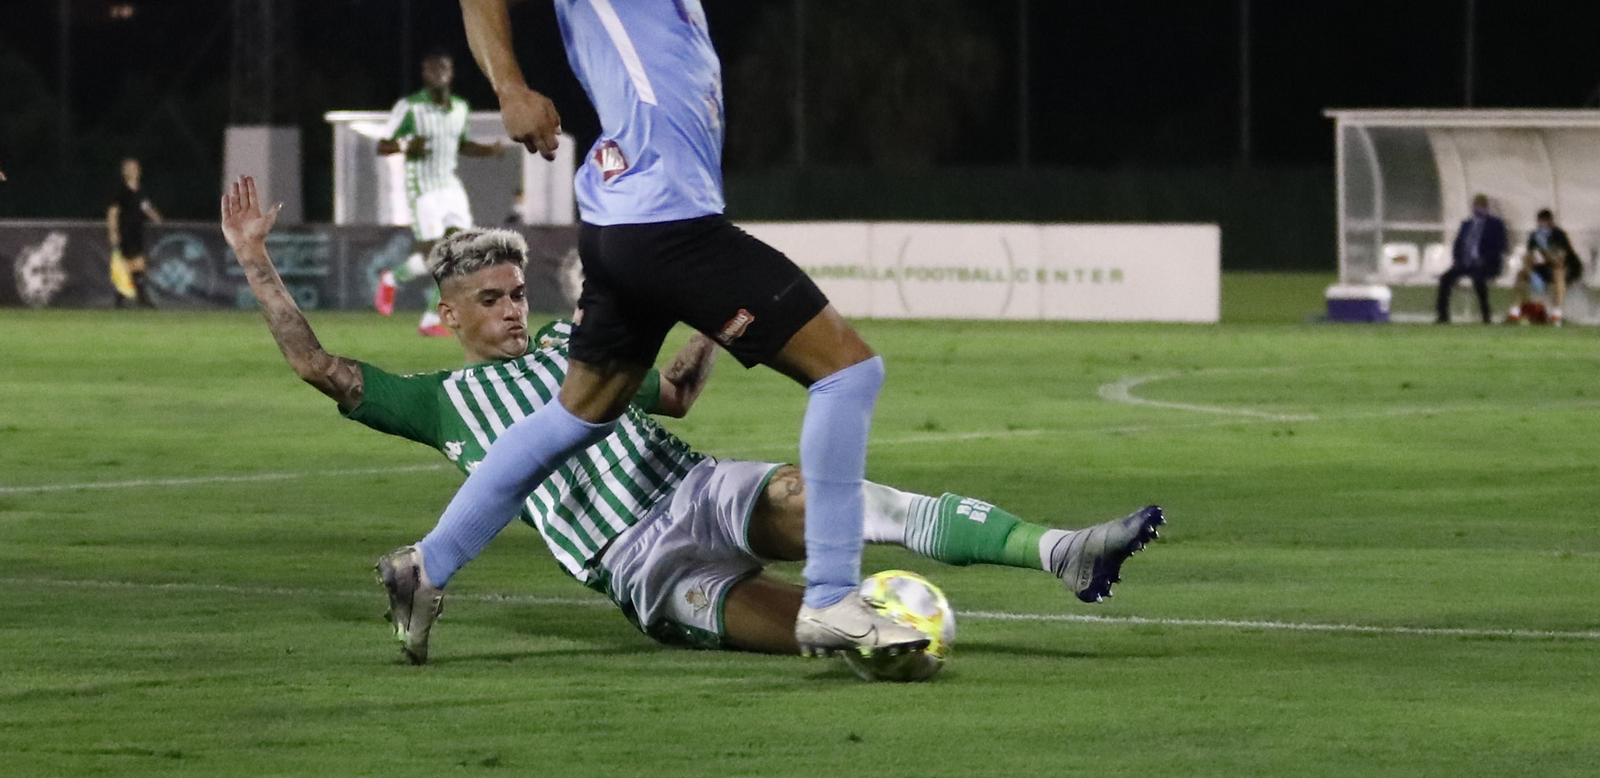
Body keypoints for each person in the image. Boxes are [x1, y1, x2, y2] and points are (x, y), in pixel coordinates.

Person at [380, 0, 930, 662]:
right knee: (849, 371)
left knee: (581, 410)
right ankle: (829, 599)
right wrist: (513, 90)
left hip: (633, 232)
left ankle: (426, 564)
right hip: (665, 224)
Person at [220, 177, 1163, 662]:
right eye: (492, 297)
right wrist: (256, 260)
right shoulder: (436, 400)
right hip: (641, 567)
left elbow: (668, 394)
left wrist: (706, 321)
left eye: (517, 290)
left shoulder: (576, 354)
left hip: (699, 489)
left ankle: (1060, 551)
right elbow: (317, 365)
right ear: (453, 314)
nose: (513, 306)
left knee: (849, 498)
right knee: (819, 632)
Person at [372, 48, 505, 336]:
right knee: (436, 256)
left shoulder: (460, 107)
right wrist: (407, 145)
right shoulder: (410, 107)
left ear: (451, 73)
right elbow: (382, 145)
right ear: (425, 74)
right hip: (423, 189)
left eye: (444, 68)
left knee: (463, 251)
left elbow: (460, 144)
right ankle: (397, 283)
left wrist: (489, 151)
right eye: (433, 69)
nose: (439, 74)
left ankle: (429, 316)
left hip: (450, 186)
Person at [1435, 194, 1508, 324]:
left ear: (1486, 207)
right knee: (1445, 278)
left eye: (1482, 205)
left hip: (1486, 263)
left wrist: (1484, 259)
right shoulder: (1466, 224)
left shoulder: (1496, 225)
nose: (1479, 208)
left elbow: (1500, 246)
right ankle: (1443, 315)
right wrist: (1459, 260)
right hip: (1465, 263)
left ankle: (1486, 314)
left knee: (1478, 278)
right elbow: (1458, 244)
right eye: (1477, 205)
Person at [1508, 208, 1583, 326]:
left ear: (1551, 222)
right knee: (1521, 275)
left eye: (1545, 222)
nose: (1542, 225)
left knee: (1558, 273)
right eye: (1540, 222)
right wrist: (1531, 273)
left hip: (1564, 269)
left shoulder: (1559, 235)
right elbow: (1529, 257)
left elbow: (1560, 259)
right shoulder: (1534, 236)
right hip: (1542, 269)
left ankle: (1556, 312)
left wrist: (1543, 252)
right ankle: (1516, 309)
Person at [107, 157, 161, 308]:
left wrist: (155, 216)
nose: (133, 171)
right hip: (125, 231)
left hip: (138, 231)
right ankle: (136, 298)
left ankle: (129, 298)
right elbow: (113, 212)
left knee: (138, 264)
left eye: (135, 168)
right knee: (131, 264)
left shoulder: (141, 191)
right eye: (129, 168)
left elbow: (146, 207)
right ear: (124, 172)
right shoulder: (121, 191)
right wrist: (113, 231)